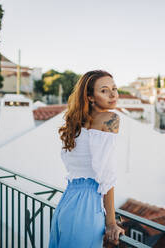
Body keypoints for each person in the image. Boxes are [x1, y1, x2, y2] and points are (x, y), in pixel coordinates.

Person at [49, 70, 125, 247]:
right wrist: (111, 222)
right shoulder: (110, 118)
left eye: (114, 88)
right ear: (90, 97)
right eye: (104, 90)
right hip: (88, 205)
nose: (113, 94)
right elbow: (106, 175)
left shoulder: (76, 124)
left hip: (67, 202)